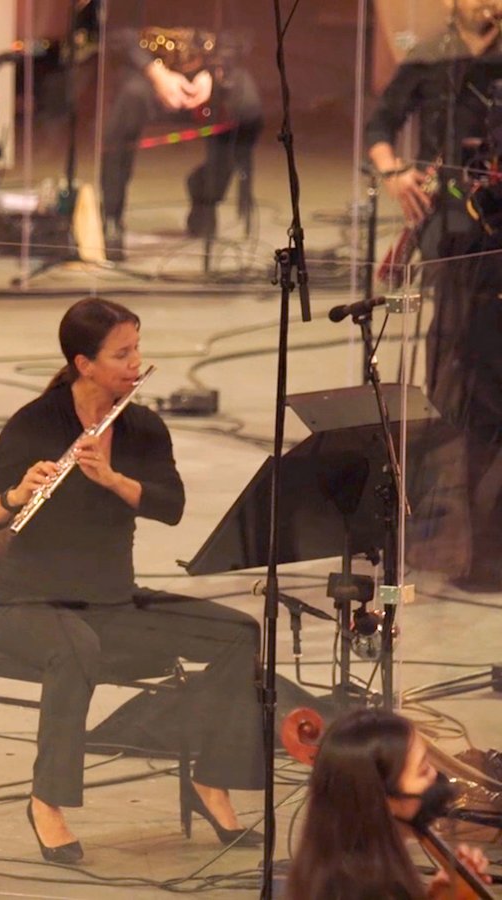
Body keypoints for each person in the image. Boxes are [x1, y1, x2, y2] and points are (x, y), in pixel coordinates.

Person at [0, 296, 264, 863]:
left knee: (238, 633)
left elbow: (170, 506)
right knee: (76, 648)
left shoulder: (141, 428)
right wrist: (16, 495)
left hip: (112, 604)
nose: (136, 364)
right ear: (84, 364)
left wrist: (112, 479)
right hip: (28, 605)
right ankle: (46, 801)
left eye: (137, 350)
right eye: (121, 354)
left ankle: (211, 779)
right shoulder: (36, 424)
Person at [366, 0, 502, 587]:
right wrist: (393, 173)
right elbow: (379, 126)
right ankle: (450, 530)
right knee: (455, 373)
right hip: (451, 235)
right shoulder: (432, 58)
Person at [99, 0, 263, 260]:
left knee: (248, 108)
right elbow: (117, 28)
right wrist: (156, 74)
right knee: (127, 104)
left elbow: (241, 27)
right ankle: (111, 215)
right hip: (149, 72)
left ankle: (206, 192)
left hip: (209, 71)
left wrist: (213, 73)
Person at [285, 708, 492, 900]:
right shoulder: (366, 891)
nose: (435, 776)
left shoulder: (334, 868)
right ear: (383, 800)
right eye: (423, 770)